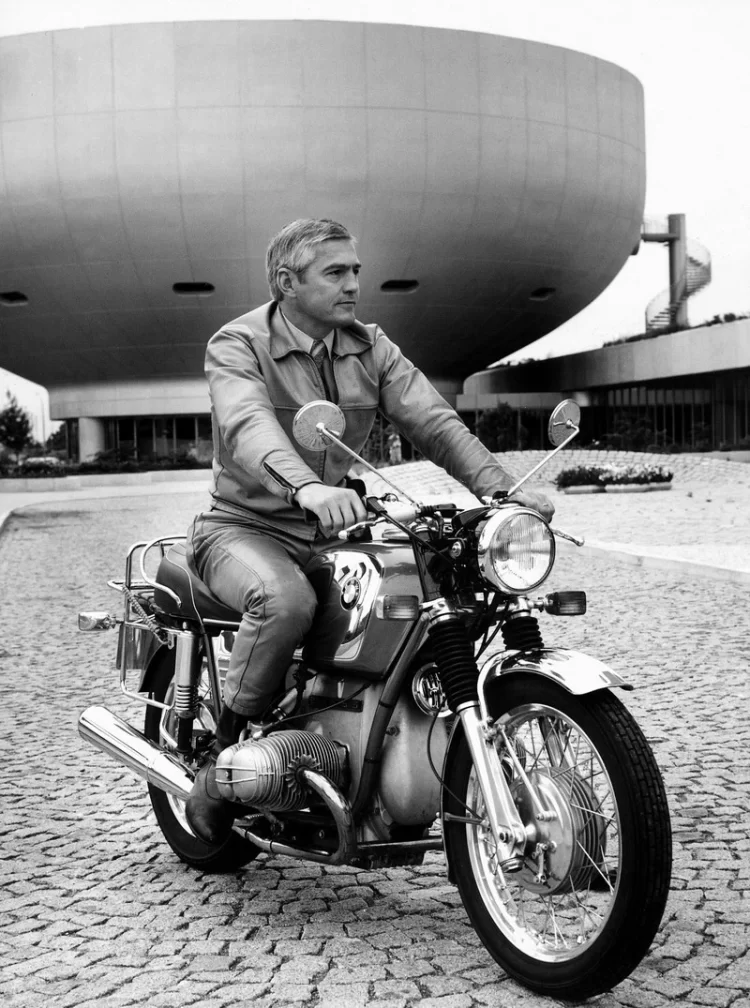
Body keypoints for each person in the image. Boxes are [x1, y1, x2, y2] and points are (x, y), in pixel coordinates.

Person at [185, 217, 554, 843]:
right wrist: (305, 488)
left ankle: (361, 737)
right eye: (335, 272)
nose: (354, 284)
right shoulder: (238, 343)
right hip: (244, 526)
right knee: (283, 600)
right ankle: (221, 754)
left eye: (355, 270)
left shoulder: (369, 347)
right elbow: (248, 424)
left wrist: (500, 491)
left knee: (415, 592)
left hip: (338, 526)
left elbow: (433, 421)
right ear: (287, 282)